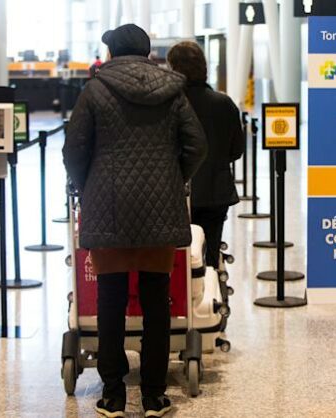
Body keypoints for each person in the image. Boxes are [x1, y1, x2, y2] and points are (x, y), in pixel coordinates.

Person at [63, 24, 207, 418]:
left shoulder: (94, 90)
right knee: (156, 299)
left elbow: (74, 148)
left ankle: (112, 395)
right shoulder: (173, 90)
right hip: (160, 205)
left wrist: (87, 184)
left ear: (111, 53)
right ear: (146, 53)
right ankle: (154, 395)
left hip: (107, 206)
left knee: (110, 299)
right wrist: (171, 177)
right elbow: (197, 145)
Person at [167, 42, 245, 268]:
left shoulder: (168, 103)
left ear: (173, 68)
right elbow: (236, 150)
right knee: (209, 256)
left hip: (175, 194)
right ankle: (212, 295)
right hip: (215, 192)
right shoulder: (224, 104)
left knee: (179, 260)